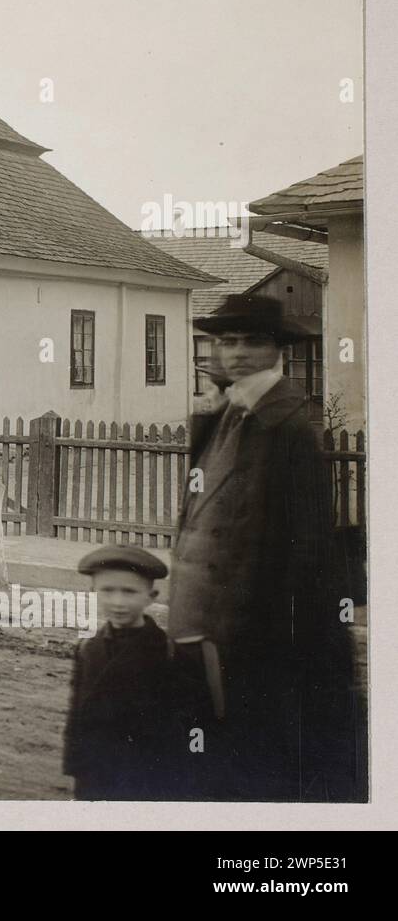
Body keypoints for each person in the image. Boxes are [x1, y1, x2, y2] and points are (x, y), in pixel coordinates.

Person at [170, 294, 359, 802]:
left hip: (258, 623)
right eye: (227, 341)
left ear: (278, 350)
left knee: (258, 752)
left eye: (253, 340)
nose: (237, 352)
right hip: (208, 613)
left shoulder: (287, 429)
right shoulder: (228, 412)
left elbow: (305, 543)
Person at [63, 544, 185, 801]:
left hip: (148, 780)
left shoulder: (169, 653)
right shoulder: (88, 648)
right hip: (94, 777)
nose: (117, 602)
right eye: (107, 591)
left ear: (151, 596)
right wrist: (77, 771)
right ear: (93, 591)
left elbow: (193, 724)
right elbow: (78, 717)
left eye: (129, 592)